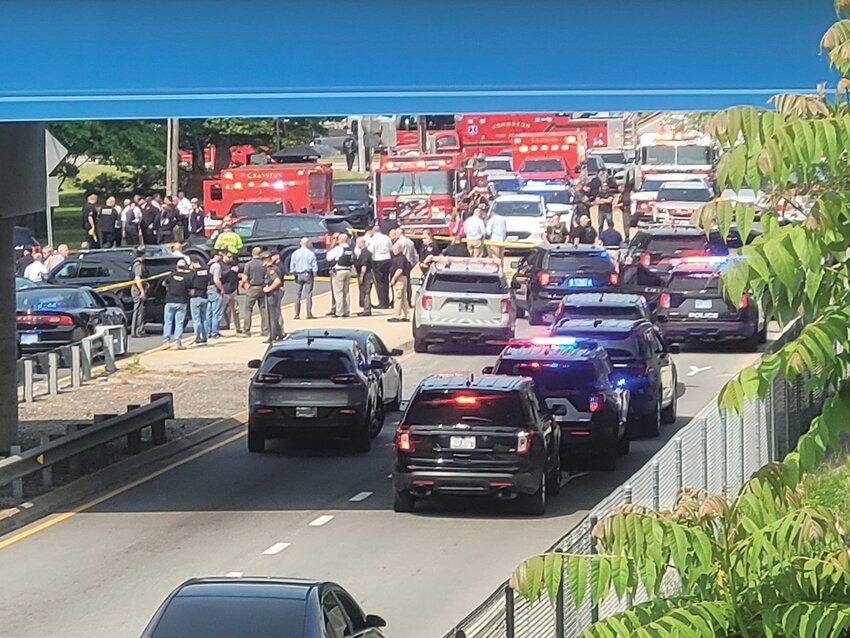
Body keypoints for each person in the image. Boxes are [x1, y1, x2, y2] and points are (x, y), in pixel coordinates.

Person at [162, 261, 191, 350]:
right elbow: (190, 288)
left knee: (168, 322)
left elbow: (164, 283)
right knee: (179, 323)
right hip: (181, 302)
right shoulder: (186, 278)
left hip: (170, 301)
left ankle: (166, 342)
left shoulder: (171, 276)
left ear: (177, 266)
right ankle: (177, 343)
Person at [241, 247, 268, 337]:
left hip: (252, 288)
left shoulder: (248, 264)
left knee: (248, 309)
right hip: (262, 287)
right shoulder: (263, 264)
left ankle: (247, 330)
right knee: (263, 309)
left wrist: (243, 283)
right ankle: (265, 330)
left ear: (252, 254)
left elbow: (244, 278)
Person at [326, 232, 354, 318]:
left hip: (339, 271)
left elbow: (328, 257)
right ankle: (347, 311)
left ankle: (339, 312)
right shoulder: (349, 249)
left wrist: (333, 245)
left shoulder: (339, 248)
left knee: (338, 293)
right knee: (346, 292)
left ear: (341, 240)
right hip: (348, 270)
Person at [367, 223, 393, 308]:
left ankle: (383, 303)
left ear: (374, 231)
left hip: (378, 261)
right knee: (386, 281)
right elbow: (390, 248)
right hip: (387, 259)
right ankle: (387, 300)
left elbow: (370, 250)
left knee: (380, 283)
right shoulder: (386, 238)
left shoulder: (373, 239)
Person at [262, 253, 284, 343]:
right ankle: (278, 334)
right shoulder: (270, 268)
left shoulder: (272, 269)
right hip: (273, 294)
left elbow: (277, 281)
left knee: (272, 315)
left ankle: (273, 336)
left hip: (273, 294)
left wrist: (268, 289)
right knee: (274, 314)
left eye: (263, 259)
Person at [188, 256, 210, 346]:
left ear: (193, 263)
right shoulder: (205, 271)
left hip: (195, 297)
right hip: (204, 296)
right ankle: (205, 337)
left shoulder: (193, 273)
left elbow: (189, 283)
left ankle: (198, 337)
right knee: (204, 318)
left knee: (196, 319)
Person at [387, 243, 411, 322]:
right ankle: (407, 315)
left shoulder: (401, 258)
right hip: (400, 278)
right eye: (393, 249)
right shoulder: (395, 257)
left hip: (399, 278)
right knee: (403, 298)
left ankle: (396, 315)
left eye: (396, 249)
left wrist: (394, 278)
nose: (395, 251)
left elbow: (400, 270)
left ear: (400, 249)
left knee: (398, 297)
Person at [395, 228, 418, 304]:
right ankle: (409, 300)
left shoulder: (399, 242)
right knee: (408, 283)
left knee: (400, 282)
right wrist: (413, 264)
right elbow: (415, 255)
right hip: (409, 263)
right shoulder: (410, 242)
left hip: (401, 262)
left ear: (399, 233)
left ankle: (401, 301)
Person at [220, 251, 242, 332]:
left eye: (231, 257)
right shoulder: (220, 265)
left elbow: (240, 269)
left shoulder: (233, 263)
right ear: (224, 256)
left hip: (234, 290)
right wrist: (230, 270)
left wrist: (238, 269)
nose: (230, 258)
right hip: (225, 290)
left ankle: (238, 327)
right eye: (229, 257)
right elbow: (221, 275)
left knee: (236, 310)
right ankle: (221, 326)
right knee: (222, 310)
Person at [130, 246, 148, 337]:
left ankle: (136, 331)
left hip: (136, 288)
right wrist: (142, 291)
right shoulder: (138, 264)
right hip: (137, 289)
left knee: (138, 310)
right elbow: (137, 278)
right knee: (139, 310)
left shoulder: (135, 263)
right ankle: (138, 331)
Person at [207, 251, 225, 340]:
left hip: (207, 289)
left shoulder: (208, 264)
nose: (221, 257)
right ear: (216, 256)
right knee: (216, 312)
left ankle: (208, 332)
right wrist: (221, 289)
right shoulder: (216, 266)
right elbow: (216, 280)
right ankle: (215, 332)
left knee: (209, 313)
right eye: (220, 255)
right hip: (214, 289)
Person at [354, 236, 373, 316]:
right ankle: (365, 308)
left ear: (362, 243)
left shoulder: (365, 253)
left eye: (357, 242)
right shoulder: (363, 252)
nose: (356, 244)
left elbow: (364, 265)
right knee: (364, 291)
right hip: (366, 274)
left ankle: (367, 309)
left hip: (366, 274)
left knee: (366, 291)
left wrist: (362, 275)